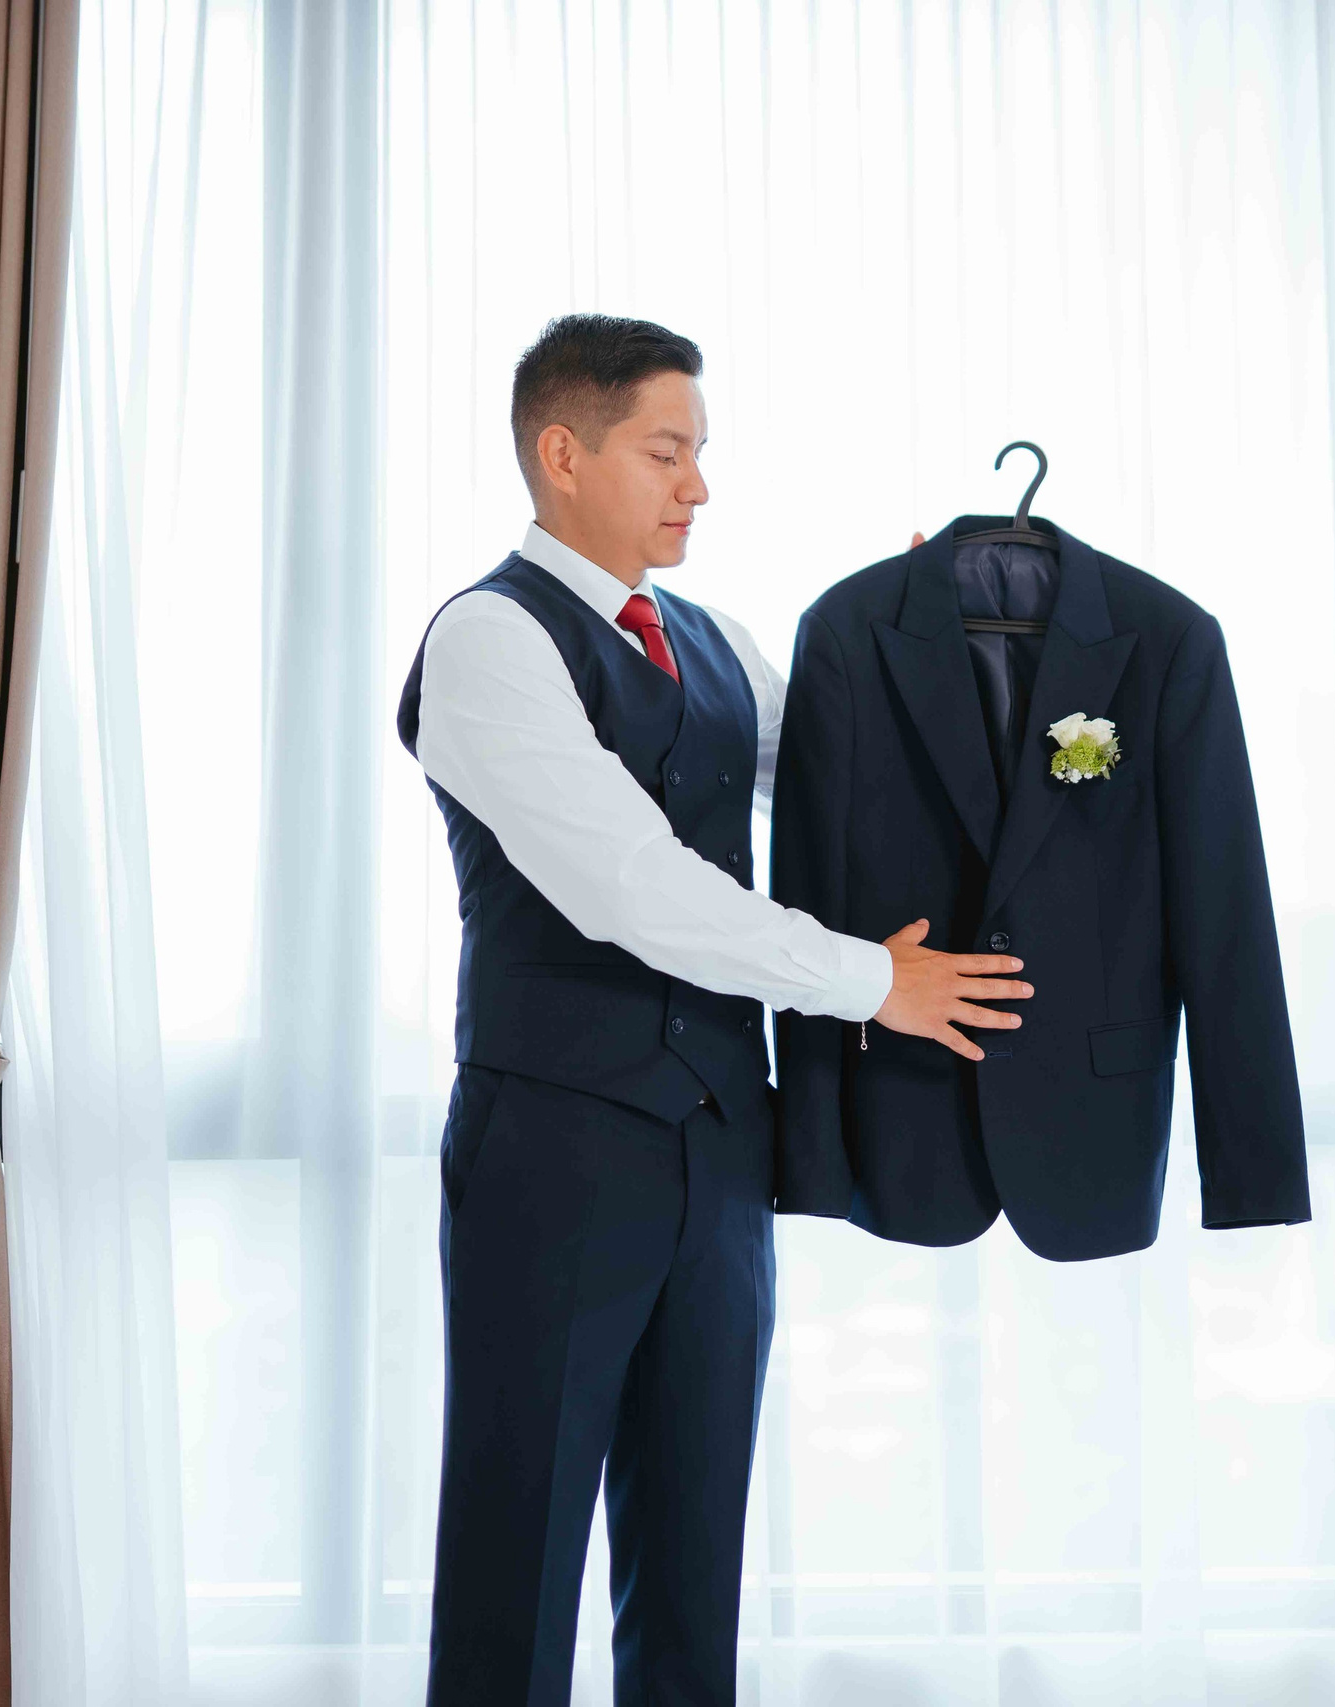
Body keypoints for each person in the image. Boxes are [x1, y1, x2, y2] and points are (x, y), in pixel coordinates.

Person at [394, 312, 1030, 1705]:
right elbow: (634, 887)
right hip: (553, 1150)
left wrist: (921, 637)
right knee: (520, 1556)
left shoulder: (712, 638)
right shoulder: (489, 641)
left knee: (693, 1567)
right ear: (563, 454)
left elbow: (844, 778)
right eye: (665, 451)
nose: (697, 486)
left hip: (722, 1149)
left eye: (702, 454)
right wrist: (878, 983)